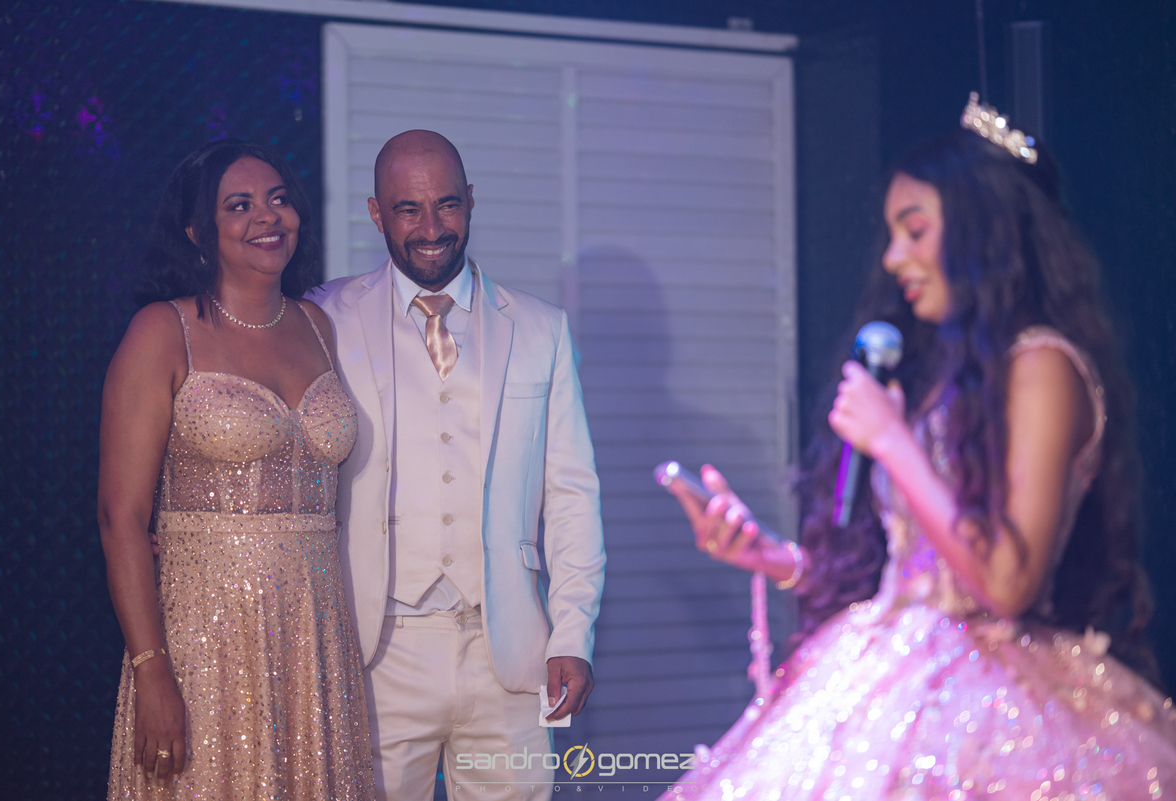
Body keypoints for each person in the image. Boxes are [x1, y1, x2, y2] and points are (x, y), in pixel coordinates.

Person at [665, 95, 1176, 799]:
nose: (893, 257)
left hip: (993, 707)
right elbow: (913, 576)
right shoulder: (947, 377)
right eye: (892, 234)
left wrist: (893, 439)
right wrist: (771, 557)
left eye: (914, 230)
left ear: (983, 231)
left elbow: (1006, 584)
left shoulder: (1044, 366)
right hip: (890, 678)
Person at [308, 130, 605, 801]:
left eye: (446, 204)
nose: (431, 228)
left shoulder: (541, 328)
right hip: (376, 651)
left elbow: (570, 494)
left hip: (508, 651)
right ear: (376, 213)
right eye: (407, 209)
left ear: (470, 201)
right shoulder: (325, 316)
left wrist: (572, 633)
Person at [99, 140, 374, 800]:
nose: (267, 216)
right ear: (199, 230)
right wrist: (151, 669)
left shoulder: (316, 324)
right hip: (205, 637)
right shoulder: (162, 331)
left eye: (279, 199)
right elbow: (120, 517)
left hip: (314, 636)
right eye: (240, 205)